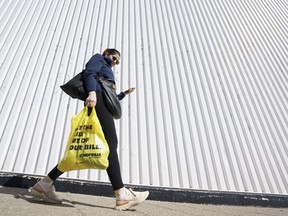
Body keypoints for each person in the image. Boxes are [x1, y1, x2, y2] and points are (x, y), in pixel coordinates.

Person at [29, 48, 149, 211]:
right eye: (114, 58)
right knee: (110, 143)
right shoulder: (98, 58)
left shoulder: (107, 70)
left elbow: (109, 95)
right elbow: (89, 73)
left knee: (80, 150)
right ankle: (122, 195)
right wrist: (91, 93)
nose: (115, 62)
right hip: (96, 99)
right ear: (107, 53)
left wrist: (123, 94)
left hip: (101, 100)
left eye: (117, 61)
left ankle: (44, 184)